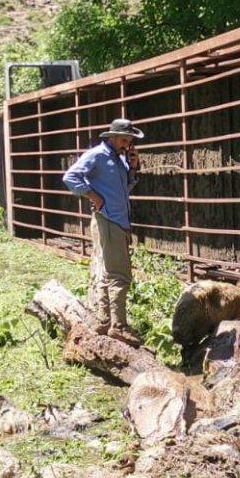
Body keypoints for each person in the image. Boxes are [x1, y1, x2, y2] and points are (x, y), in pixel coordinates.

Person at [62, 118, 143, 344]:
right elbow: (70, 177)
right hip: (108, 219)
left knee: (107, 271)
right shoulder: (97, 155)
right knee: (119, 274)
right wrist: (93, 196)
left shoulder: (119, 159)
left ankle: (104, 321)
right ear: (112, 136)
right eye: (124, 139)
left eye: (130, 140)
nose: (127, 144)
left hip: (116, 219)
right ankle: (119, 326)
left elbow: (123, 188)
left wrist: (133, 168)